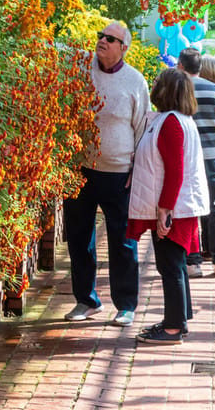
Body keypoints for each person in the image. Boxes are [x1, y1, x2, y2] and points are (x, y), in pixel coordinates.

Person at [63, 21, 150, 327]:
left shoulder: (135, 81)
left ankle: (126, 305)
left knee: (123, 240)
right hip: (81, 169)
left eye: (110, 38)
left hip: (119, 174)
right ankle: (86, 300)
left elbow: (142, 128)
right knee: (78, 237)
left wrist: (136, 167)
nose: (101, 41)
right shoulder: (80, 71)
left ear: (123, 48)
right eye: (100, 36)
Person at [128, 68, 209, 344]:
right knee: (173, 264)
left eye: (157, 83)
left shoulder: (172, 123)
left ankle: (174, 328)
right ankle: (178, 319)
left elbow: (175, 170)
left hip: (173, 207)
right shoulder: (177, 120)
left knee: (170, 265)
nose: (154, 86)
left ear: (166, 91)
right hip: (177, 205)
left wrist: (165, 209)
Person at [177, 48, 215, 277]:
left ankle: (193, 262)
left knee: (188, 207)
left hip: (185, 159)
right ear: (200, 67)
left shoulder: (177, 91)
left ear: (181, 66)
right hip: (211, 157)